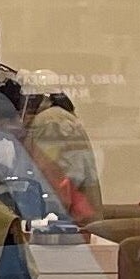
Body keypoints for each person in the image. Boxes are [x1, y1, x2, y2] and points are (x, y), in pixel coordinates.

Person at [23, 89, 103, 225]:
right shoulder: (54, 118)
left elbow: (57, 181)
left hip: (65, 225)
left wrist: (46, 220)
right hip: (69, 223)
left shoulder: (50, 121)